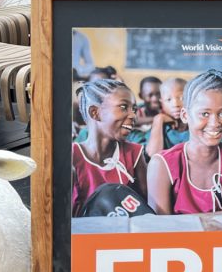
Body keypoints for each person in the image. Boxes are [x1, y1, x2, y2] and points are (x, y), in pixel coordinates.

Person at [147, 69, 222, 215]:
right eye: (205, 114)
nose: (215, 123)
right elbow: (160, 229)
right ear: (185, 115)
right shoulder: (162, 164)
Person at [71, 79, 149, 217]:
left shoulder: (134, 153)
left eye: (134, 109)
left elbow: (147, 208)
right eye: (124, 107)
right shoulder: (71, 156)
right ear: (95, 112)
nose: (133, 115)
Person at [146, 77, 189, 158]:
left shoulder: (195, 123)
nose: (176, 104)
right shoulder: (160, 127)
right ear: (162, 102)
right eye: (169, 100)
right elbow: (153, 154)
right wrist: (158, 120)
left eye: (182, 98)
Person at [125, 75, 163, 145]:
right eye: (150, 95)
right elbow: (130, 120)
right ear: (141, 96)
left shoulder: (167, 110)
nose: (155, 99)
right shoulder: (137, 110)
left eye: (158, 94)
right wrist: (158, 119)